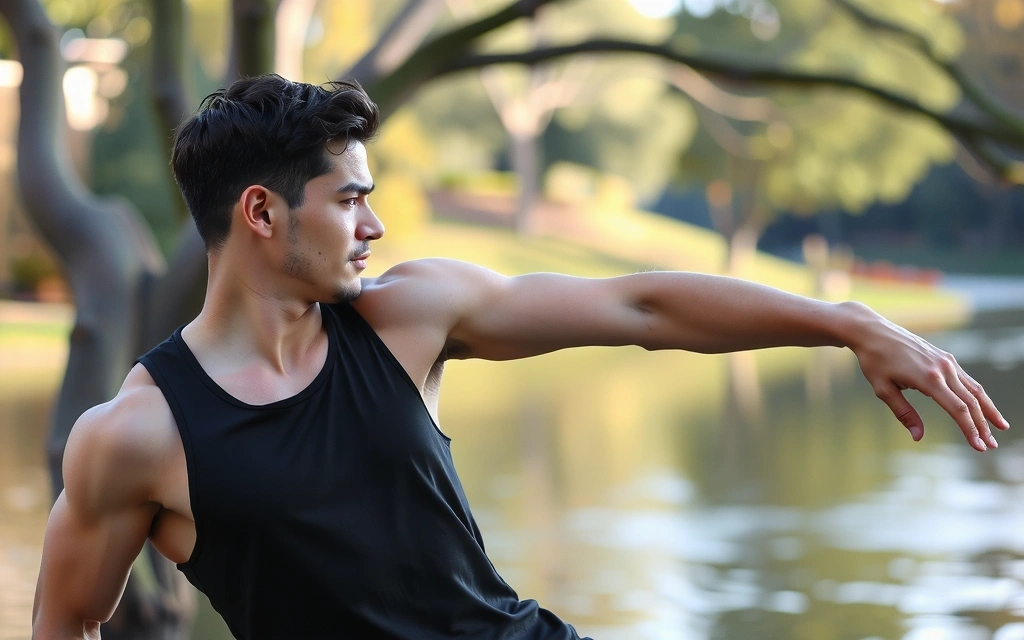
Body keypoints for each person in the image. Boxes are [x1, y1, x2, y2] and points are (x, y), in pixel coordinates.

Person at [32, 74, 1007, 640]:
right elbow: (63, 628)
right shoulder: (138, 436)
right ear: (259, 211)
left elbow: (641, 303)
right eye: (348, 200)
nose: (372, 225)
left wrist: (842, 321)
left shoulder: (406, 314)